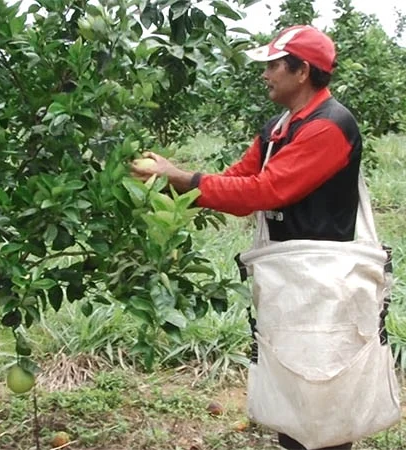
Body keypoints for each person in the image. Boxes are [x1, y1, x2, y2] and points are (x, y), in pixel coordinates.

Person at [131, 24, 362, 450]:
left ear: (302, 72)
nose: (265, 74)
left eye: (274, 65)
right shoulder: (279, 126)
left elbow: (264, 191)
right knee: (292, 383)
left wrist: (179, 177)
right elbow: (239, 183)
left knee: (321, 387)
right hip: (288, 272)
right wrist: (170, 182)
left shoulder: (329, 126)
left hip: (322, 280)